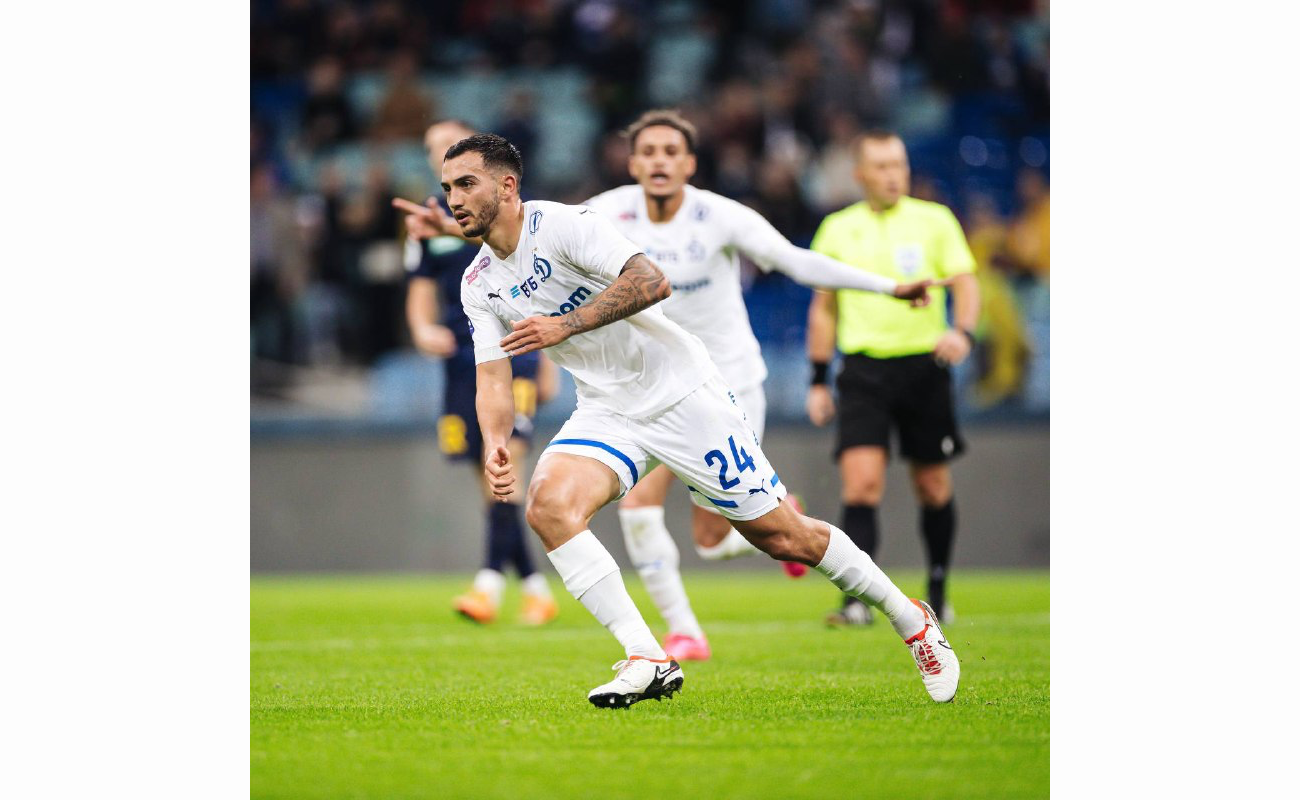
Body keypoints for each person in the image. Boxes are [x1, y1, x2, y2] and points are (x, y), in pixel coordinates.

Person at [443, 132, 959, 707]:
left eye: (466, 183)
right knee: (548, 504)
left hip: (685, 393)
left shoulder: (565, 226)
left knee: (782, 536)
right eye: (447, 188)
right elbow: (492, 377)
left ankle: (911, 619)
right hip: (608, 408)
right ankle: (648, 656)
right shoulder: (478, 282)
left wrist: (564, 326)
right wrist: (496, 440)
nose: (454, 199)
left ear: (507, 185)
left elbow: (650, 282)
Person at [583, 109, 939, 662]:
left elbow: (795, 262)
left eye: (670, 152)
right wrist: (464, 227)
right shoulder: (605, 212)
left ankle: (786, 516)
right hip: (654, 388)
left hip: (729, 385)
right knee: (638, 507)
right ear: (632, 163)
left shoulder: (720, 216)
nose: (659, 161)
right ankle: (684, 632)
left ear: (690, 164)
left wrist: (888, 287)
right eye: (648, 152)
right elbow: (533, 231)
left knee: (714, 539)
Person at [805, 130, 980, 626]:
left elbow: (966, 282)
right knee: (861, 486)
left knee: (933, 485)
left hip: (925, 367)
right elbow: (824, 308)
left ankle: (938, 590)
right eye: (881, 166)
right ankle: (857, 601)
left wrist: (962, 332)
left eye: (898, 165)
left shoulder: (935, 220)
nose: (892, 175)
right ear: (860, 174)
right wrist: (818, 378)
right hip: (863, 369)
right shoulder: (837, 229)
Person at [396, 120, 560, 627]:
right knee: (488, 475)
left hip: (518, 352)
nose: (439, 152)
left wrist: (549, 359)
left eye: (449, 142)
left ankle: (489, 582)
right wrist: (422, 329)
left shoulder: (508, 210)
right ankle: (534, 587)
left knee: (507, 466)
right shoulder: (428, 220)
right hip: (461, 362)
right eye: (431, 148)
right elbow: (419, 286)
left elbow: (547, 286)